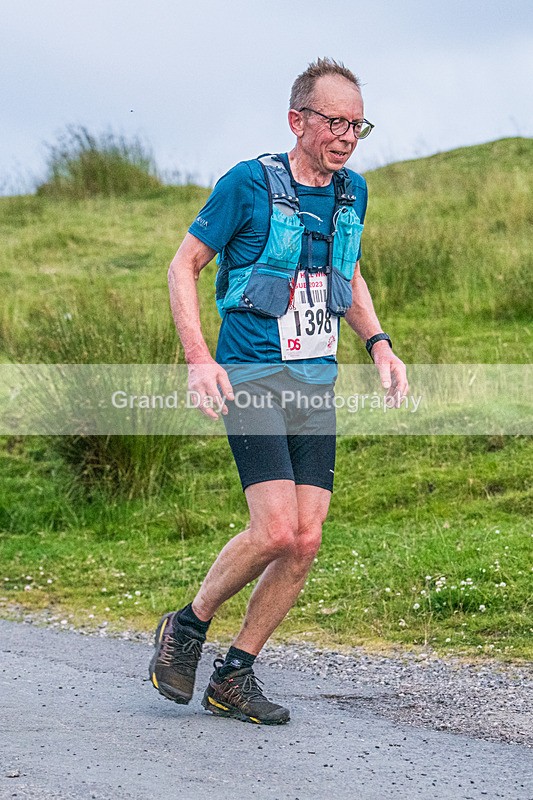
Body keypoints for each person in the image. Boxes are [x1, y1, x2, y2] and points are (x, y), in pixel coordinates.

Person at [150, 57, 408, 725]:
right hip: (253, 373)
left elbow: (344, 274)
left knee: (306, 538)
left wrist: (377, 342)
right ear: (297, 120)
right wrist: (197, 358)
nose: (347, 135)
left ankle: (233, 675)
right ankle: (186, 624)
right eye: (334, 121)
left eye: (357, 124)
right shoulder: (247, 184)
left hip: (313, 381)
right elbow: (184, 264)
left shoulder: (352, 191)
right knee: (272, 530)